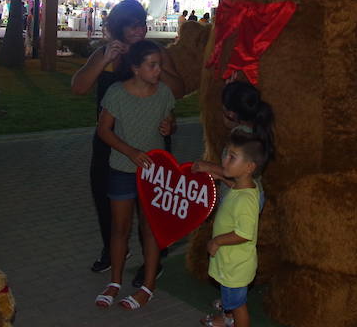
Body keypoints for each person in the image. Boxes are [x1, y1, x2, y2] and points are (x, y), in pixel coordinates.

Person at [71, 0, 183, 285]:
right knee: (105, 198)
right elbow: (79, 88)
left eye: (142, 24)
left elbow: (176, 90)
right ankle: (113, 250)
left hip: (150, 143)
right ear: (119, 27)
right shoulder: (106, 55)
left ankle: (153, 259)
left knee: (151, 205)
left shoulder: (153, 53)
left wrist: (170, 119)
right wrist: (105, 60)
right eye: (134, 25)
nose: (140, 30)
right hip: (112, 142)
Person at [93, 40, 176, 311]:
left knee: (150, 230)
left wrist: (168, 125)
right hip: (122, 168)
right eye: (152, 65)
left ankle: (148, 285)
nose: (158, 71)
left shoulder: (164, 93)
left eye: (159, 65)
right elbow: (104, 130)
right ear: (136, 68)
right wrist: (129, 151)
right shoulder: (117, 93)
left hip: (154, 173)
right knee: (120, 229)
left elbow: (169, 120)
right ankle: (115, 281)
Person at [197, 88, 274, 327]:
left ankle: (230, 317)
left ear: (249, 167)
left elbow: (243, 233)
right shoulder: (242, 188)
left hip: (235, 265)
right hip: (232, 263)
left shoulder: (245, 199)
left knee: (239, 307)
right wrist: (224, 178)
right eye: (226, 155)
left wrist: (217, 241)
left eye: (231, 157)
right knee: (233, 298)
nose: (223, 161)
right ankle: (229, 310)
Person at [193, 81, 275, 212]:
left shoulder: (240, 137)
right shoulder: (254, 130)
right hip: (246, 194)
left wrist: (208, 166)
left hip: (242, 200)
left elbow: (236, 171)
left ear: (230, 114)